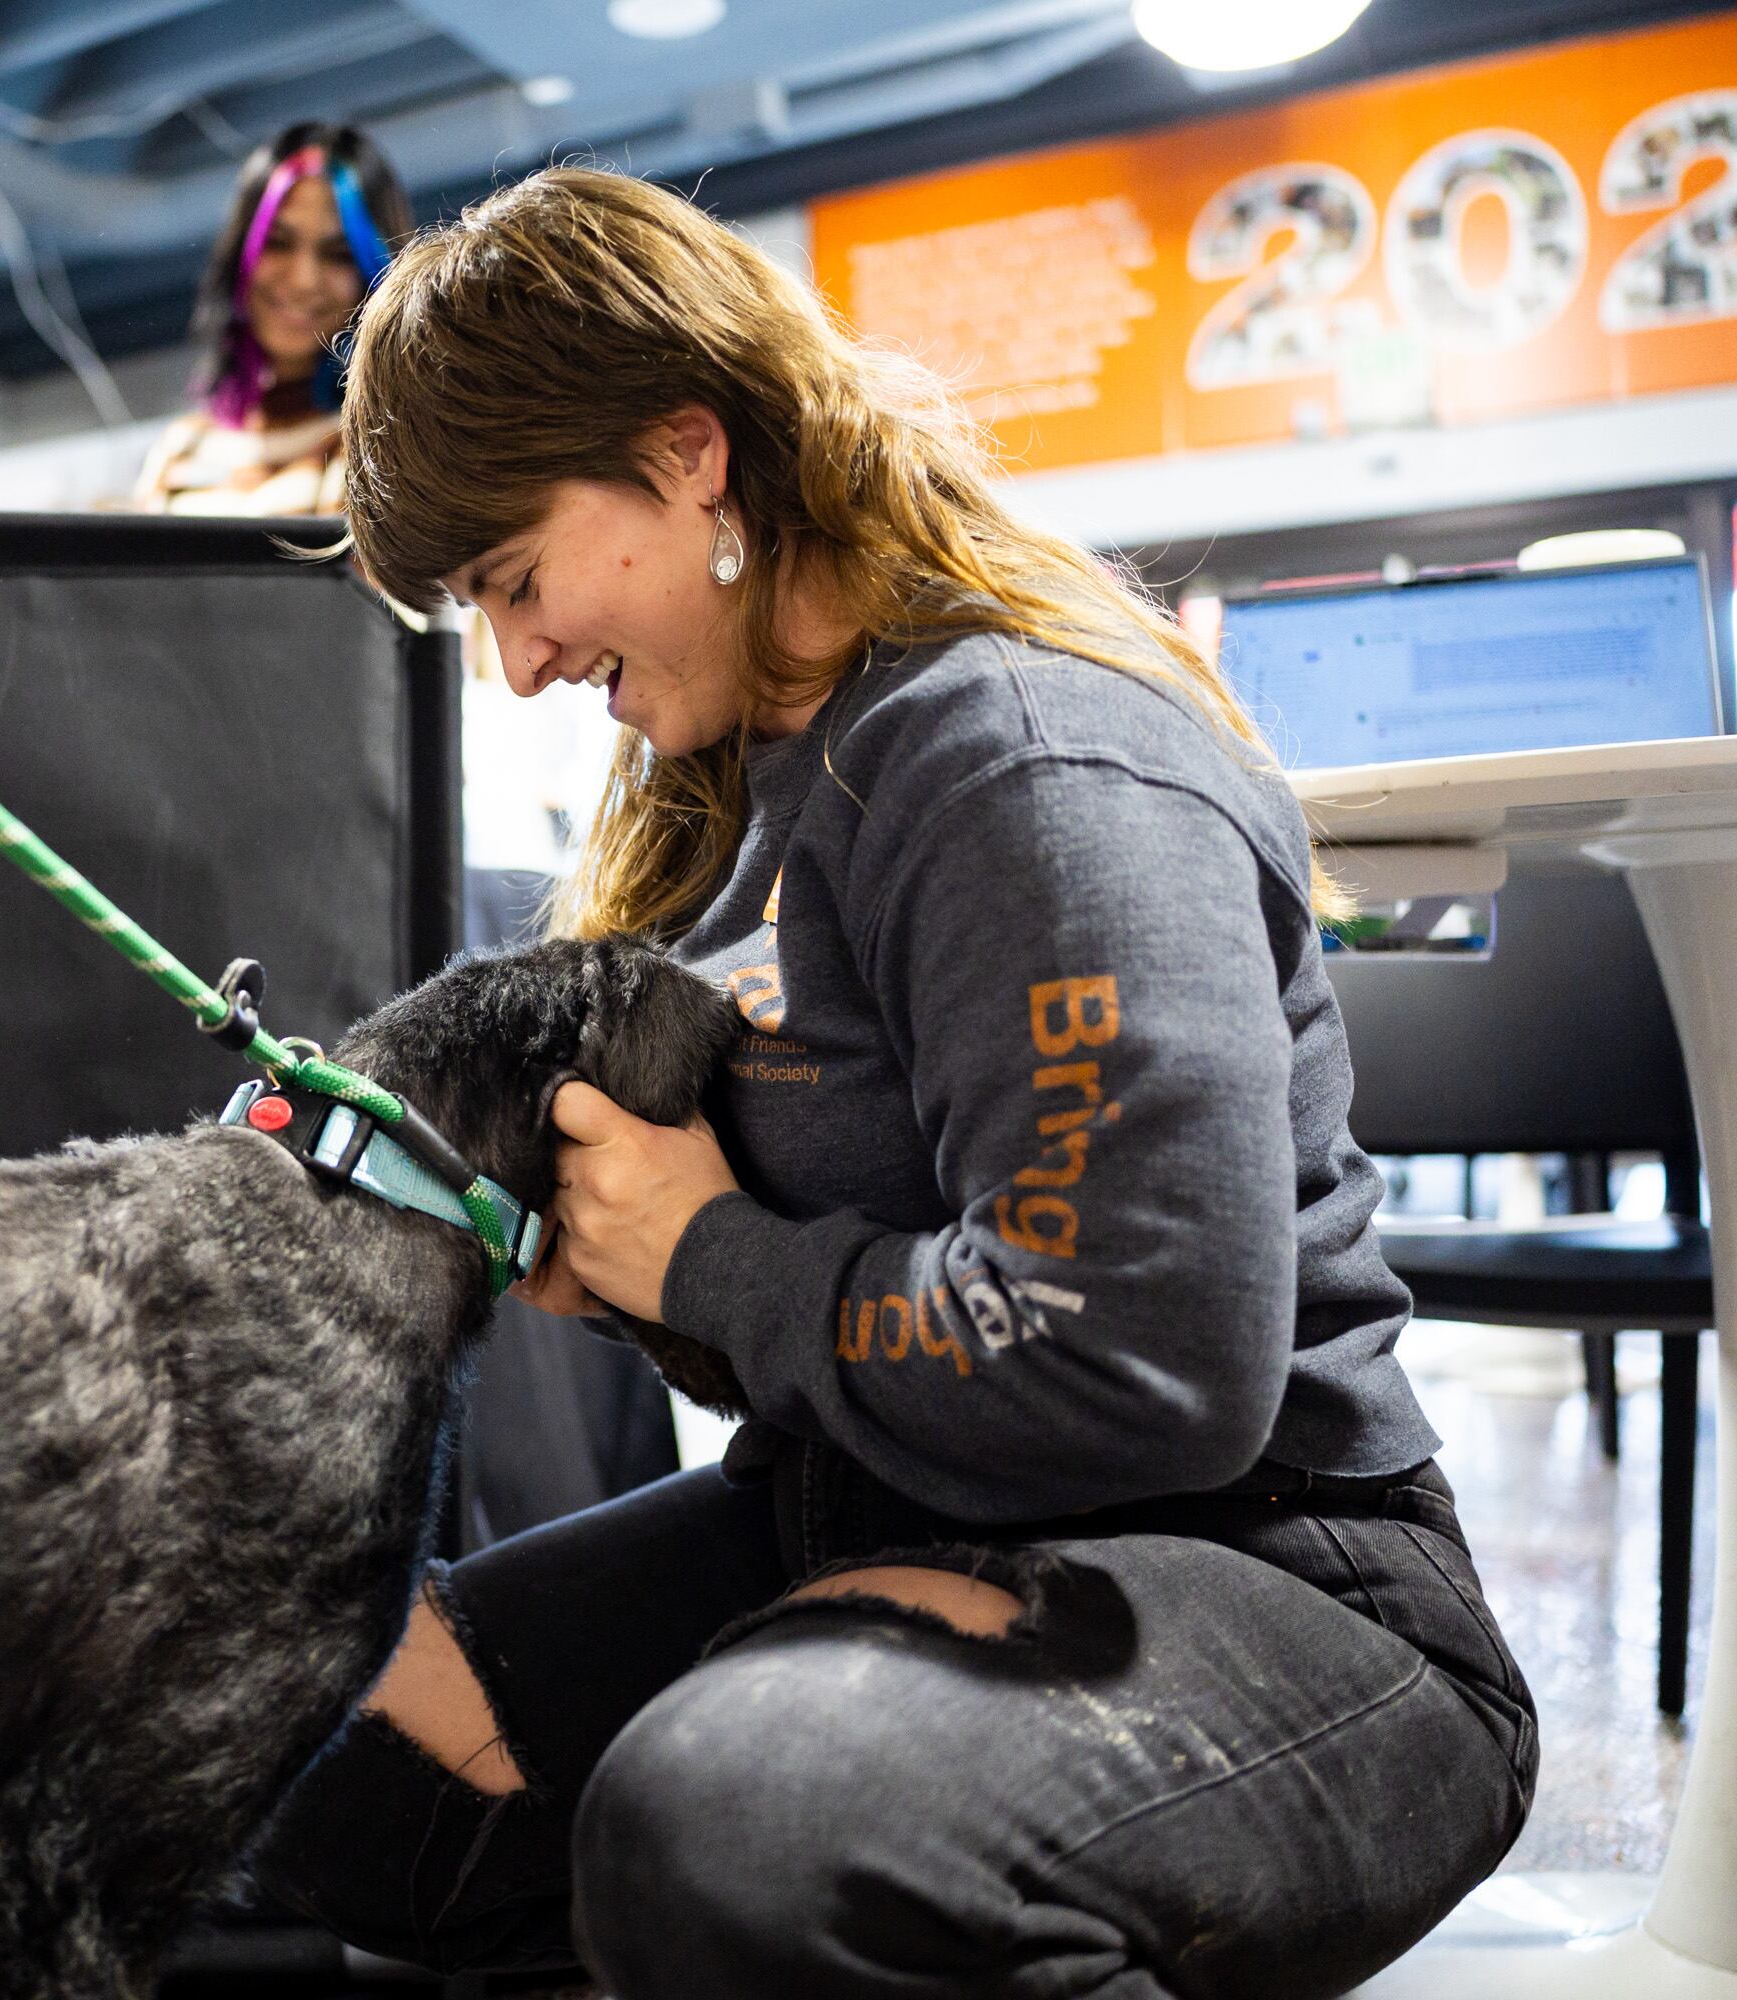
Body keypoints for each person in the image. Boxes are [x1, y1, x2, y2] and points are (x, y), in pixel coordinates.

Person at [249, 167, 1534, 1999]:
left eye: (516, 578)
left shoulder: (1019, 762)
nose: (517, 660)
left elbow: (1139, 1357)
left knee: (740, 1837)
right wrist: (626, 1267)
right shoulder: (743, 788)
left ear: (688, 453)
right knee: (324, 1759)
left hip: (1287, 1591)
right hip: (876, 1510)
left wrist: (707, 1263)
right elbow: (827, 1306)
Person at [133, 122, 410, 516]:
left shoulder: (387, 447)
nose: (302, 280)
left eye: (339, 254)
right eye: (277, 243)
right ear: (239, 255)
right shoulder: (182, 448)